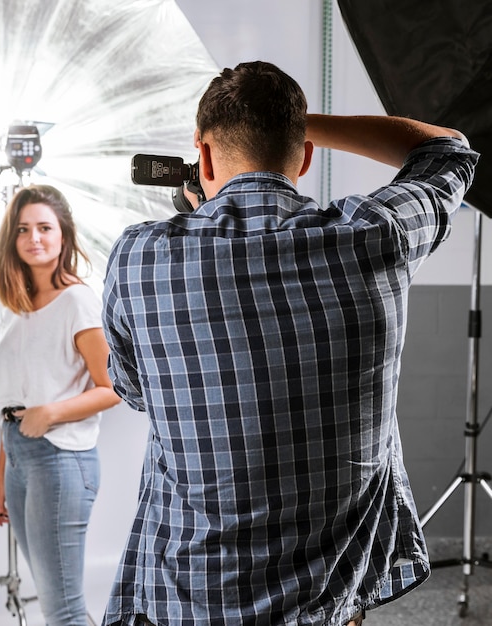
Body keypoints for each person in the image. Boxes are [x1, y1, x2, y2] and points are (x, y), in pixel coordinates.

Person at [100, 61, 478, 626]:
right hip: (326, 598)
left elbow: (134, 388)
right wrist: (299, 122)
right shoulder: (376, 236)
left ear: (202, 156)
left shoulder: (139, 256)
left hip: (187, 596)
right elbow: (450, 151)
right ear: (302, 157)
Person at [0, 184, 121, 626]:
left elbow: (114, 387)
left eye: (45, 227)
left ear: (63, 234)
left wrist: (50, 413)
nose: (34, 238)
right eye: (23, 229)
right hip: (21, 458)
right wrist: (1, 477)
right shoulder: (15, 311)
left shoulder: (78, 301)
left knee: (61, 608)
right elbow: (13, 401)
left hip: (61, 460)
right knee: (54, 598)